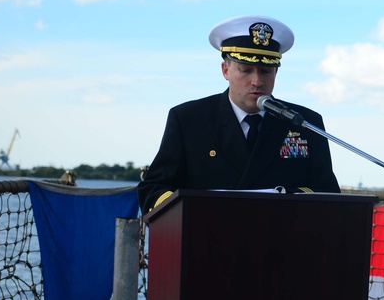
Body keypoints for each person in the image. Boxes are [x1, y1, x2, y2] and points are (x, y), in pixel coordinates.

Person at [137, 15, 340, 214]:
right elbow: (154, 189)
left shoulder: (303, 122)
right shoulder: (189, 119)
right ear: (226, 70)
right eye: (245, 70)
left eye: (266, 71)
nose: (257, 81)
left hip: (282, 239)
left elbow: (328, 193)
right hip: (207, 238)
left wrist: (287, 198)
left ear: (276, 73)